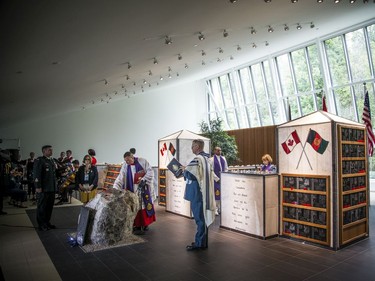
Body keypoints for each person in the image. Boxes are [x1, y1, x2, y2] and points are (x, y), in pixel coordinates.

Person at [182, 139, 216, 251]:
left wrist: (183, 170)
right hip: (203, 192)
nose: (191, 148)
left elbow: (191, 175)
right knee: (202, 217)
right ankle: (202, 241)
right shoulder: (206, 158)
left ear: (197, 146)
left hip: (197, 192)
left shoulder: (198, 159)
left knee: (199, 218)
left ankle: (200, 243)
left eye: (192, 146)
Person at [113, 151, 155, 234]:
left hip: (143, 188)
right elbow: (121, 177)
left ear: (132, 157)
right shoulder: (125, 165)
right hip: (131, 188)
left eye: (128, 160)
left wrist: (144, 180)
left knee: (144, 205)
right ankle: (136, 225)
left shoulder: (142, 161)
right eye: (126, 161)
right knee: (134, 206)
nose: (127, 162)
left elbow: (150, 171)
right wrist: (115, 187)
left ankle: (145, 224)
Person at [33, 145, 58, 231]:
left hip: (51, 188)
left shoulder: (51, 160)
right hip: (43, 188)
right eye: (49, 150)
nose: (51, 151)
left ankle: (47, 222)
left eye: (51, 150)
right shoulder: (40, 160)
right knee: (42, 207)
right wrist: (38, 186)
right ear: (44, 151)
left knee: (49, 207)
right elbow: (36, 174)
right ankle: (41, 224)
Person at [210, 146, 228, 215]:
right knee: (216, 194)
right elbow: (211, 170)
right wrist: (217, 179)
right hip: (215, 180)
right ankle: (215, 209)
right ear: (214, 151)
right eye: (218, 150)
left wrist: (224, 176)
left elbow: (226, 168)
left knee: (222, 194)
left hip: (223, 179)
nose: (219, 152)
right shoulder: (211, 159)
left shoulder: (223, 158)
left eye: (220, 150)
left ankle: (221, 208)